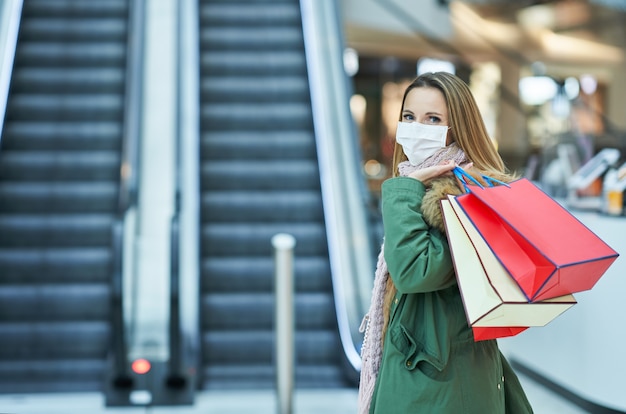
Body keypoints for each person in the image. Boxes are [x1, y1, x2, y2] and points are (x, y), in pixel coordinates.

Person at [358, 71, 533, 413]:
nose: (416, 127)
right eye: (409, 117)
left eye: (433, 119)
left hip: (438, 383)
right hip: (431, 373)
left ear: (459, 128)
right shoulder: (420, 185)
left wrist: (401, 193)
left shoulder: (461, 198)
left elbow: (413, 271)